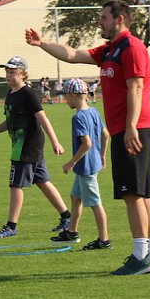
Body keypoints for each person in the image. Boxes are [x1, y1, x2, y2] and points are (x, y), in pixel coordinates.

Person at [25, 0, 150, 275]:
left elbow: (136, 88)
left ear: (119, 19)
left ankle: (141, 257)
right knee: (142, 194)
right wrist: (42, 44)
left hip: (134, 128)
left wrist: (131, 127)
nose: (99, 21)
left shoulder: (131, 46)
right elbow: (72, 54)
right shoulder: (110, 49)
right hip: (129, 128)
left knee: (134, 194)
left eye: (104, 17)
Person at [0, 56, 71, 237]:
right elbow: (11, 121)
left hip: (26, 146)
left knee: (16, 184)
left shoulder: (28, 94)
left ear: (23, 74)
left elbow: (42, 118)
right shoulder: (11, 94)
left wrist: (55, 141)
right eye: (7, 72)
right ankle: (66, 217)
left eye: (13, 72)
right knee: (42, 181)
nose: (8, 75)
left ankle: (11, 226)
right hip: (25, 145)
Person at [50, 78, 112, 251]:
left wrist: (70, 163)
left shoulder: (78, 117)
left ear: (72, 96)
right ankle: (72, 232)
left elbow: (87, 144)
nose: (65, 100)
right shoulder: (93, 111)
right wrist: (102, 155)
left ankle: (104, 240)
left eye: (65, 96)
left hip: (86, 167)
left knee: (95, 203)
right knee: (75, 197)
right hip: (90, 164)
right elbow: (105, 134)